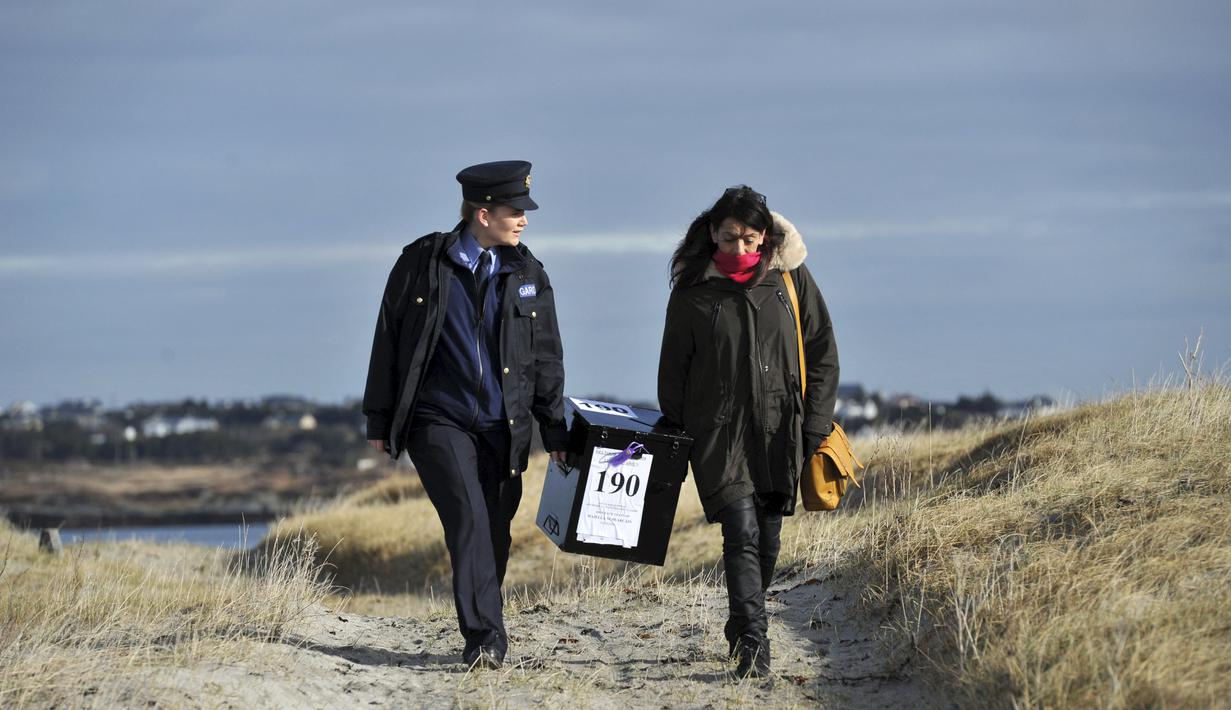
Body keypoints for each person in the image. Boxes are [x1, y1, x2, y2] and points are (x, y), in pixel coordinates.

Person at [363, 160, 569, 670]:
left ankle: (483, 613)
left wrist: (555, 428)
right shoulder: (421, 263)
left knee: (494, 529)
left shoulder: (529, 273)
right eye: (514, 210)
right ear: (483, 213)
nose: (523, 219)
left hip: (506, 428)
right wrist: (379, 419)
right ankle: (485, 638)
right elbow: (388, 339)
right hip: (438, 421)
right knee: (469, 519)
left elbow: (546, 357)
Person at [657, 185, 839, 678]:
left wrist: (815, 425)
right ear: (713, 232)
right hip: (718, 432)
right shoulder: (693, 290)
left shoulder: (790, 280)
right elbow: (673, 368)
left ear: (765, 237)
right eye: (731, 237)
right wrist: (676, 429)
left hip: (783, 429)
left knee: (768, 538)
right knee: (740, 533)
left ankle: (741, 622)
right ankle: (754, 644)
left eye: (751, 239)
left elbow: (821, 349)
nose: (740, 249)